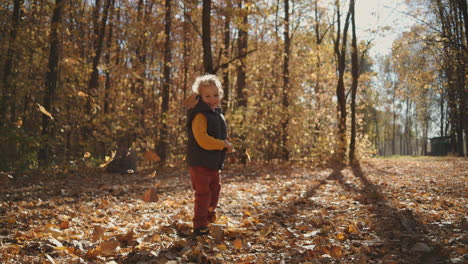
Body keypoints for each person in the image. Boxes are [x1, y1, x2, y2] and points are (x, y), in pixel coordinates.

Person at [185, 74, 233, 236]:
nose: (212, 99)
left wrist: (226, 144)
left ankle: (209, 218)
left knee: (215, 192)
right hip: (199, 162)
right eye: (207, 96)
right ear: (200, 96)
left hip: (213, 163)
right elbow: (203, 140)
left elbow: (220, 135)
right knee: (203, 194)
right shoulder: (200, 115)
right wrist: (222, 144)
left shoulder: (217, 114)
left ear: (220, 94)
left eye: (216, 95)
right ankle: (199, 225)